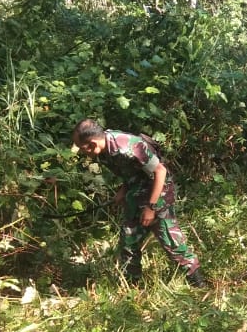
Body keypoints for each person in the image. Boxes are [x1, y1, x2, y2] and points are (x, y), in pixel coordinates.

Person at [72, 120, 204, 287]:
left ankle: (198, 284)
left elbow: (160, 171)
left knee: (170, 239)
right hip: (137, 191)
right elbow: (132, 171)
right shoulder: (104, 150)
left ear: (92, 144)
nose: (82, 153)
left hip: (159, 192)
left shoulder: (128, 146)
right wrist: (123, 189)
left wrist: (151, 207)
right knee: (129, 238)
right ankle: (132, 286)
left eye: (82, 149)